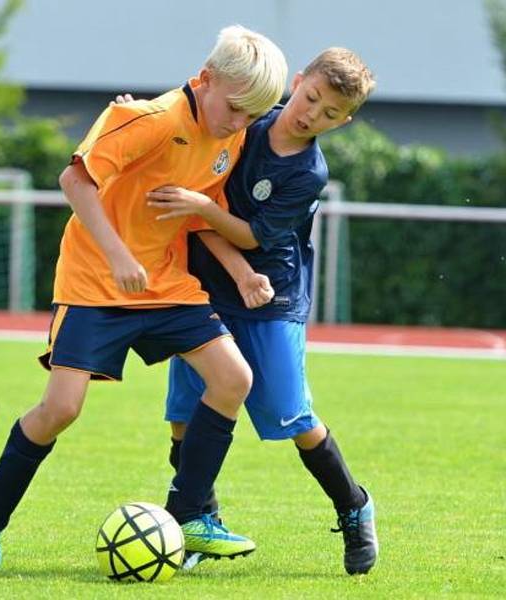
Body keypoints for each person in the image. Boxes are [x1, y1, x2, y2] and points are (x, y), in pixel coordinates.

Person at [0, 25, 288, 570]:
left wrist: (240, 272)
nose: (239, 125)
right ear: (205, 79)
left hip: (164, 283)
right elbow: (74, 181)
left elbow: (198, 213)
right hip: (95, 281)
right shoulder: (151, 118)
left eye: (252, 117)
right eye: (235, 109)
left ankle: (190, 515)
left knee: (234, 379)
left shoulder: (228, 133)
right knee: (60, 410)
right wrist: (117, 255)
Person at [144, 47, 379, 575]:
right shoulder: (244, 123)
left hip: (272, 298)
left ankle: (354, 505)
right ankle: (196, 517)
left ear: (344, 122)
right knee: (185, 411)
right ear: (297, 81)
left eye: (329, 114)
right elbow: (190, 115)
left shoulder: (308, 173)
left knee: (289, 414)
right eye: (311, 97)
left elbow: (247, 233)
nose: (311, 114)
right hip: (207, 287)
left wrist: (205, 211)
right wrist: (133, 111)